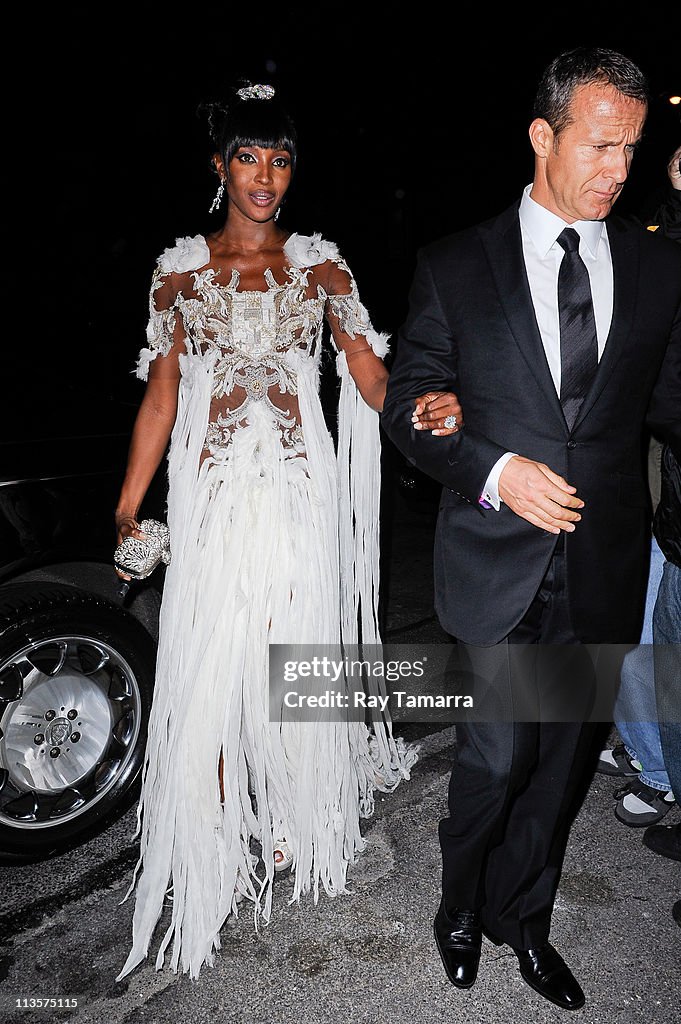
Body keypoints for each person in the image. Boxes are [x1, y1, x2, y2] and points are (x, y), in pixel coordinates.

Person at [113, 82, 462, 982]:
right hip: (214, 493)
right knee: (214, 656)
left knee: (285, 651)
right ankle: (218, 825)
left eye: (279, 160)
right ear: (218, 166)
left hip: (301, 493)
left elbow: (367, 371)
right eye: (248, 158)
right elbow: (161, 394)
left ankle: (286, 812)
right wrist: (127, 504)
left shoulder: (320, 268)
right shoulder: (179, 274)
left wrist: (417, 408)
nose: (265, 176)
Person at [382, 48, 681, 1012]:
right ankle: (460, 905)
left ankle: (527, 920)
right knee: (498, 757)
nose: (614, 171)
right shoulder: (454, 264)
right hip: (493, 560)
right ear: (542, 135)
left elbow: (669, 399)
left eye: (630, 152)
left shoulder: (654, 265)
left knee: (557, 770)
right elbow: (413, 406)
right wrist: (493, 471)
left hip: (599, 563)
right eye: (599, 145)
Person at [597, 144, 681, 826]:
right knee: (631, 638)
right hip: (652, 485)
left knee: (645, 644)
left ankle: (658, 772)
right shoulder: (653, 237)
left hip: (664, 493)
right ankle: (644, 751)